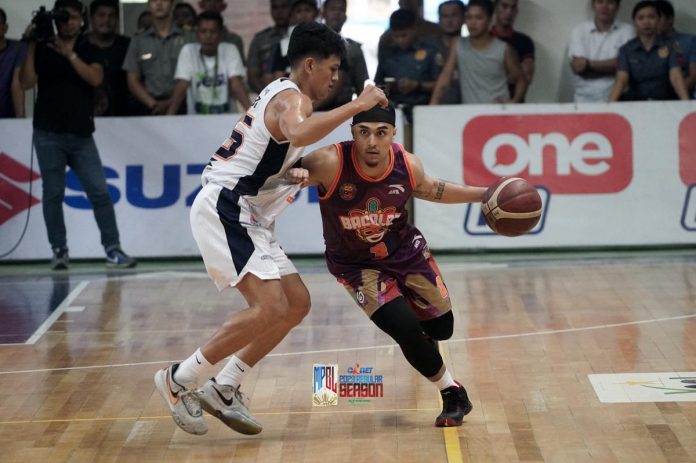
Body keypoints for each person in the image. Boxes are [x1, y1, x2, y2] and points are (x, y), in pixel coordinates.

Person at [153, 21, 387, 436]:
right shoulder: (292, 100)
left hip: (251, 213)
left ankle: (224, 386)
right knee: (269, 308)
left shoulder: (285, 95)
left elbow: (276, 146)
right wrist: (356, 105)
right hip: (228, 208)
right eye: (332, 69)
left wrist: (289, 171)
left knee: (296, 304)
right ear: (310, 65)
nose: (336, 78)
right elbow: (297, 130)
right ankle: (178, 379)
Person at [287, 102, 485, 427]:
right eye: (363, 133)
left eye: (381, 133)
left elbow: (435, 190)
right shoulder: (328, 162)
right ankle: (453, 392)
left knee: (441, 329)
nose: (372, 142)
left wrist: (483, 194)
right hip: (355, 265)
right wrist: (292, 175)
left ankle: (417, 327)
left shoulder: (407, 165)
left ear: (393, 134)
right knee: (405, 330)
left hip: (404, 251)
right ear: (352, 134)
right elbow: (279, 174)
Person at [19, 0, 136, 270]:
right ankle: (59, 250)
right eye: (63, 18)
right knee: (53, 194)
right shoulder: (43, 48)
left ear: (82, 20)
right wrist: (32, 44)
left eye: (73, 18)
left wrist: (69, 54)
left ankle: (112, 248)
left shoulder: (87, 47)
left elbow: (95, 79)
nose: (68, 23)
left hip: (82, 135)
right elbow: (26, 83)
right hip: (48, 133)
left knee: (100, 191)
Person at [430, 0, 527, 105]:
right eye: (469, 17)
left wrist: (514, 102)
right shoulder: (458, 44)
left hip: (499, 112)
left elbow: (521, 80)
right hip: (471, 114)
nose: (473, 23)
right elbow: (445, 77)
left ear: (489, 20)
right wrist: (432, 107)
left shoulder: (503, 49)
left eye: (479, 18)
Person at [168, 11, 250, 115]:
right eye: (203, 31)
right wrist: (169, 116)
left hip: (226, 118)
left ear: (221, 34)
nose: (208, 36)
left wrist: (253, 115)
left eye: (213, 32)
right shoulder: (188, 51)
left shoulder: (230, 49)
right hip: (196, 120)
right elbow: (182, 85)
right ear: (197, 34)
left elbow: (236, 84)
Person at [123, 0, 194, 115]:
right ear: (148, 5)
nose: (159, 4)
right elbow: (132, 81)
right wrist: (153, 104)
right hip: (150, 106)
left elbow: (195, 76)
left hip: (183, 105)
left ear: (172, 4)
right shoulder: (138, 40)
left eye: (164, 0)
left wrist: (170, 103)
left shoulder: (189, 37)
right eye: (154, 0)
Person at [608, 0, 689, 101]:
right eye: (640, 18)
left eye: (651, 17)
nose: (646, 22)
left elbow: (676, 77)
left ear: (659, 20)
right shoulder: (626, 50)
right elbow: (621, 80)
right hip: (635, 104)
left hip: (665, 103)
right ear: (634, 22)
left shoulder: (671, 46)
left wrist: (686, 105)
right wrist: (610, 107)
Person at [375, 9, 442, 123]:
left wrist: (416, 85)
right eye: (396, 36)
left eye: (404, 35)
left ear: (414, 29)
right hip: (394, 112)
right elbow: (378, 85)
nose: (400, 40)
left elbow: (440, 84)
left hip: (424, 110)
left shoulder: (430, 51)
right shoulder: (387, 54)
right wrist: (390, 86)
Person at [568, 0, 634, 103]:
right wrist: (615, 67)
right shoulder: (579, 31)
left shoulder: (628, 31)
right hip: (584, 98)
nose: (604, 6)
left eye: (610, 2)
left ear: (617, 7)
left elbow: (628, 66)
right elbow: (579, 67)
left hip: (618, 98)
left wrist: (588, 64)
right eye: (600, 2)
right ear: (593, 5)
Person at [315, 0, 368, 110]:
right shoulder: (312, 43)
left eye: (341, 10)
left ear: (345, 16)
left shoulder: (353, 49)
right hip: (313, 110)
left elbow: (361, 89)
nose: (337, 13)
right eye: (333, 9)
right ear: (323, 13)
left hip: (342, 111)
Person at [86, 0, 133, 116]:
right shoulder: (80, 45)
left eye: (111, 16)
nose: (106, 20)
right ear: (91, 18)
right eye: (101, 15)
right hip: (84, 114)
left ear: (117, 19)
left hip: (124, 116)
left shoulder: (128, 46)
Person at [490, 0, 534, 100]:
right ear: (495, 7)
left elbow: (526, 76)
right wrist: (514, 71)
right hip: (486, 105)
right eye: (504, 6)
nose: (509, 12)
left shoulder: (525, 41)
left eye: (513, 7)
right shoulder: (484, 39)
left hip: (516, 105)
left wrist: (493, 73)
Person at [655, 0, 696, 97]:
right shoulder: (648, 44)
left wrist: (674, 96)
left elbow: (693, 76)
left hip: (681, 96)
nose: (652, 22)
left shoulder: (689, 41)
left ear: (670, 19)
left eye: (657, 17)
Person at [378, 0, 442, 61]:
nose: (407, 2)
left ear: (420, 2)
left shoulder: (435, 30)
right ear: (399, 2)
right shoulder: (387, 38)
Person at [269, 0, 320, 79]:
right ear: (293, 15)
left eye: (308, 10)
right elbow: (278, 78)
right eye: (298, 11)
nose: (303, 15)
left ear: (316, 13)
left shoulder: (325, 41)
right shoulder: (284, 45)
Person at [435, 0, 466, 104]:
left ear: (464, 18)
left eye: (454, 15)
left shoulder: (472, 47)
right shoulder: (429, 48)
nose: (449, 20)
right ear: (439, 19)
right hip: (436, 107)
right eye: (445, 16)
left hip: (469, 107)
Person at [198, 0, 245, 65]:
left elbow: (239, 68)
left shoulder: (235, 40)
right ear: (201, 4)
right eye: (208, 0)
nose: (212, 4)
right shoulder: (190, 38)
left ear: (224, 6)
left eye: (217, 1)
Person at [0, 7, 26, 118]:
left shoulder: (17, 48)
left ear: (5, 27)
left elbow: (17, 83)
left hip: (8, 118)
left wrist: (20, 118)